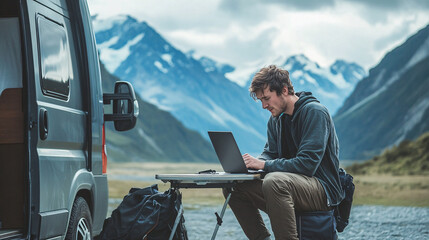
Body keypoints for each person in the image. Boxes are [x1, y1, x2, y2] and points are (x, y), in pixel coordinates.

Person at [224, 65, 344, 240]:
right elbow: (270, 153)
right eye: (261, 100)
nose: (264, 106)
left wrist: (264, 165)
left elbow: (307, 165)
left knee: (275, 182)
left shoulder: (314, 112)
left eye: (266, 98)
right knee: (234, 186)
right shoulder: (275, 120)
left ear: (284, 90)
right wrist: (251, 166)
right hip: (291, 185)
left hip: (322, 189)